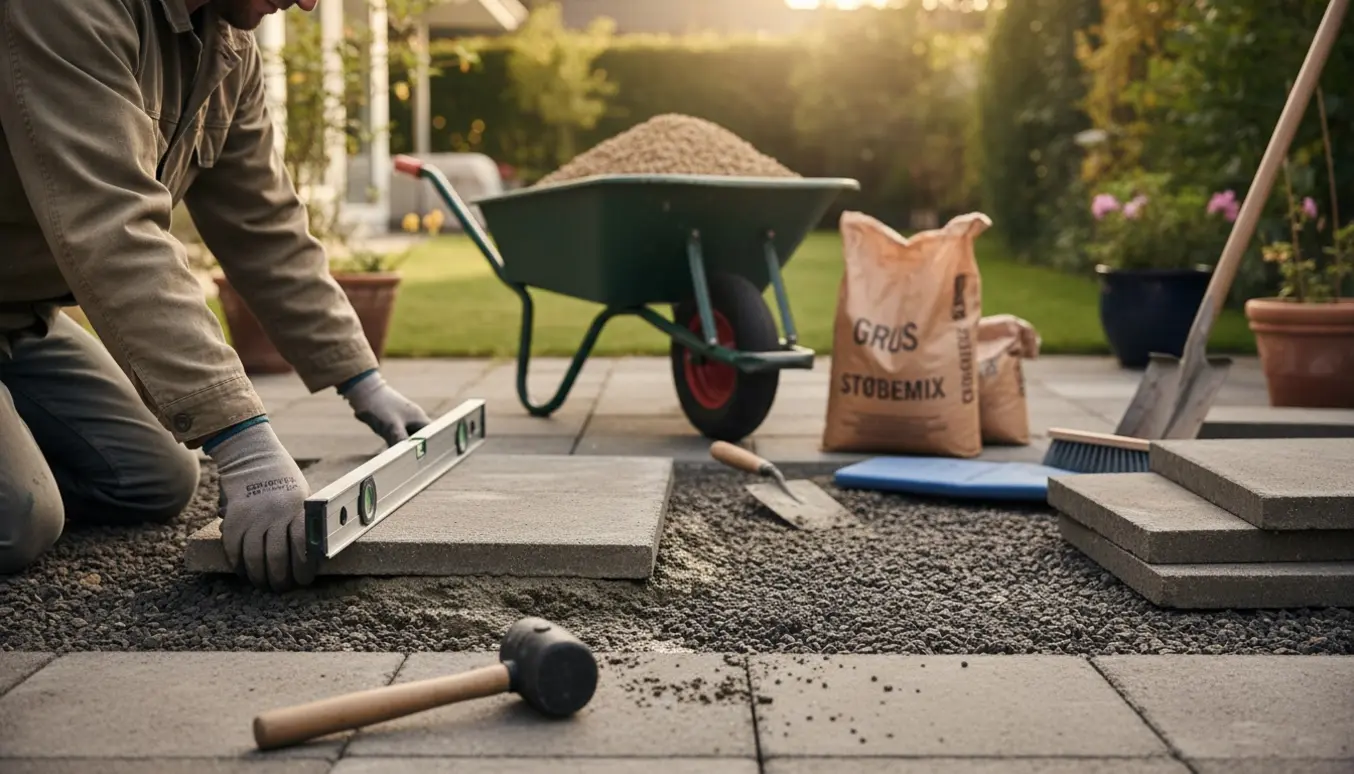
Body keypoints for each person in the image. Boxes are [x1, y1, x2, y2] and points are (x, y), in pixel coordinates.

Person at [0, 0, 431, 591]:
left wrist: (362, 380)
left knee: (154, 477)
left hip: (19, 315)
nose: (306, 3)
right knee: (20, 518)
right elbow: (113, 225)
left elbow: (264, 224)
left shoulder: (225, 46)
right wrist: (243, 440)